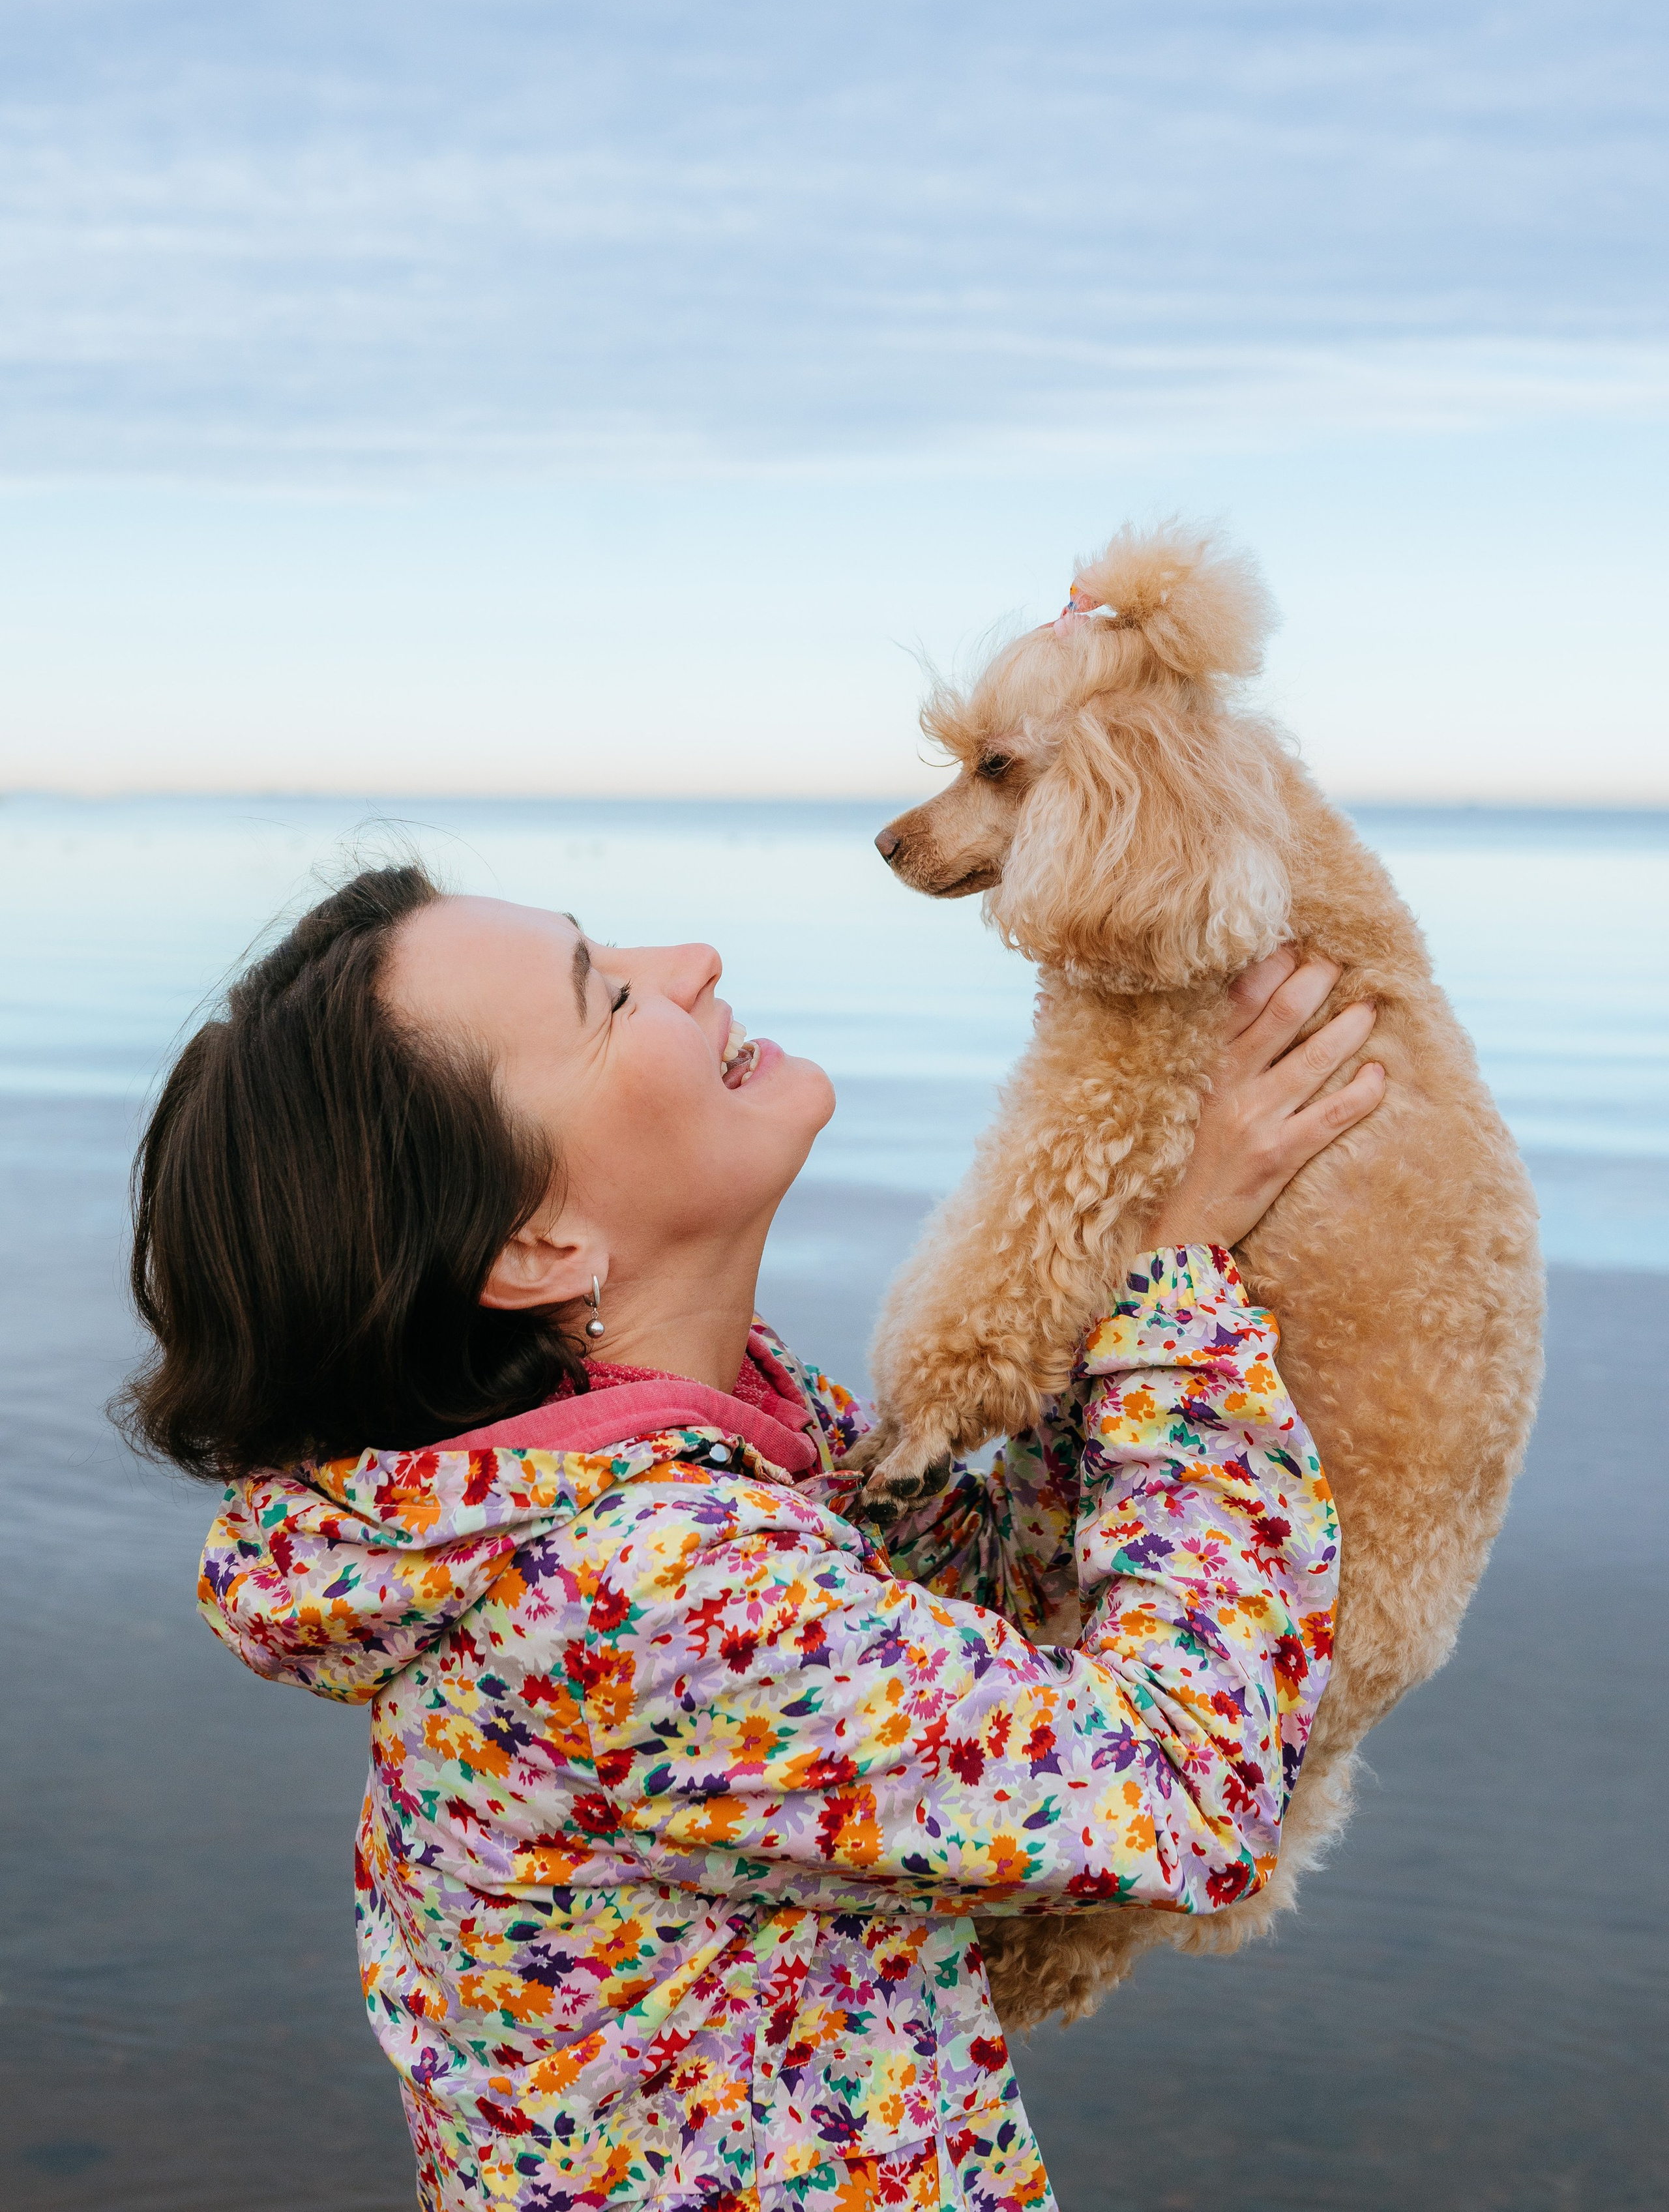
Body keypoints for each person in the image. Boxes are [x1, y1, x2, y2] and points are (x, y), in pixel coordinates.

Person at [122, 862, 1385, 2212]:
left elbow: (999, 1622)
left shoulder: (651, 1470)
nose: (692, 957)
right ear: (537, 1241)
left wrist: (1135, 1211)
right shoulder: (635, 1589)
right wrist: (1169, 1276)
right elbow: (1184, 1791)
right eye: (604, 996)